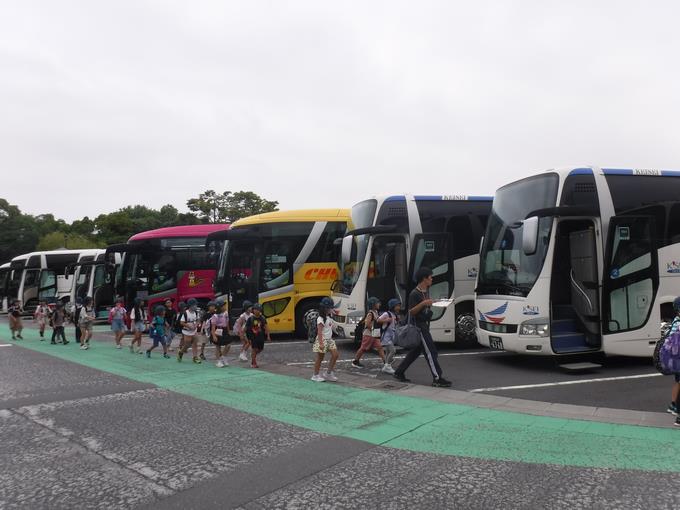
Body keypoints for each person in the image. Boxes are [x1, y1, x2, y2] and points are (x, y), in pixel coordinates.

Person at [393, 267, 452, 387]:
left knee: (415, 352)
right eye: (430, 277)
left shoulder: (425, 291)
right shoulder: (414, 294)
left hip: (424, 324)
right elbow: (411, 311)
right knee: (431, 352)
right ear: (424, 279)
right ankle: (437, 378)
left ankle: (399, 372)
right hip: (419, 327)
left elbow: (424, 306)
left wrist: (433, 303)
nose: (432, 279)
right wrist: (424, 303)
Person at [351, 297, 388, 370]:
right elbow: (367, 324)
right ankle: (355, 361)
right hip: (368, 334)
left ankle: (386, 363)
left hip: (374, 334)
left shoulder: (376, 312)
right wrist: (374, 329)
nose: (379, 304)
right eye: (377, 303)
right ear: (373, 305)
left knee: (380, 347)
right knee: (363, 348)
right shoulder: (370, 313)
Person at [311, 297, 339, 382]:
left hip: (329, 339)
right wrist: (321, 343)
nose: (332, 309)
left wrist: (334, 313)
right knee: (320, 358)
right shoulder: (320, 318)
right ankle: (315, 375)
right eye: (330, 308)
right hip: (322, 340)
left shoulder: (329, 316)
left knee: (335, 355)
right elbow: (319, 332)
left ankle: (328, 373)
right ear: (325, 308)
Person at [665, 296, 680, 425]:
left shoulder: (675, 321)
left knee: (678, 381)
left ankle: (673, 404)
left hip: (675, 359)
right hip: (678, 358)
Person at [377, 298, 401, 374]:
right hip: (386, 336)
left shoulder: (395, 315)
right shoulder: (387, 314)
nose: (399, 307)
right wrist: (386, 320)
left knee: (388, 352)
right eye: (397, 306)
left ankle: (386, 366)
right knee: (393, 350)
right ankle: (387, 366)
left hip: (391, 335)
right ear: (392, 306)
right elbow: (378, 320)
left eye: (399, 306)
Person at [245, 303, 270, 368]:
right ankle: (253, 363)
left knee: (260, 349)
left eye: (259, 310)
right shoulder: (250, 319)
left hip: (260, 336)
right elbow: (246, 328)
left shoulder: (262, 318)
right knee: (254, 348)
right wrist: (244, 336)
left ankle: (253, 356)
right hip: (253, 337)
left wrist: (268, 336)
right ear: (253, 310)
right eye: (256, 309)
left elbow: (266, 327)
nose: (257, 311)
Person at [177, 298, 201, 363]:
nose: (196, 306)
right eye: (195, 305)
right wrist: (189, 326)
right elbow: (181, 322)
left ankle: (195, 357)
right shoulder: (185, 313)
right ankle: (181, 352)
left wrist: (196, 325)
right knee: (187, 344)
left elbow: (198, 320)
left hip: (194, 331)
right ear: (191, 305)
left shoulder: (196, 312)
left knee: (195, 343)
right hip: (187, 331)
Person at [210, 299, 231, 368]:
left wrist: (228, 331)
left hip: (224, 330)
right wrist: (214, 336)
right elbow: (213, 327)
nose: (225, 307)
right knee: (218, 346)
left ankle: (223, 357)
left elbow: (227, 323)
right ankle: (218, 361)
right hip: (218, 330)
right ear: (219, 307)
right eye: (223, 306)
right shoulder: (215, 316)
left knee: (228, 345)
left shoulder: (226, 313)